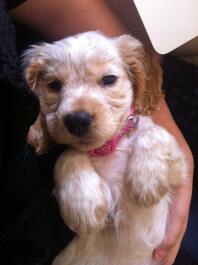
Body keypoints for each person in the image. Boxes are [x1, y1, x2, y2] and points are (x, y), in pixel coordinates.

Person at [0, 0, 194, 265]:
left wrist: (158, 137)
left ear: (137, 79)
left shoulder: (149, 136)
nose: (77, 113)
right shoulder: (66, 162)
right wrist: (68, 166)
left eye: (108, 80)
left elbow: (173, 173)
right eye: (55, 85)